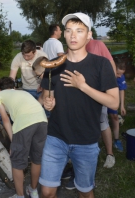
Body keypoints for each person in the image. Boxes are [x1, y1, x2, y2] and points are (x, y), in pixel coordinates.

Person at [39, 12, 119, 198]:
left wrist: (83, 86)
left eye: (79, 30)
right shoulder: (54, 65)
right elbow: (46, 98)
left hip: (86, 140)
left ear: (89, 35)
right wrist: (48, 103)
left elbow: (114, 101)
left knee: (85, 192)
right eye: (68, 30)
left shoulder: (101, 64)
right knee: (47, 192)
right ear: (64, 35)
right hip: (56, 137)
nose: (73, 35)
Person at [0, 77, 47, 198]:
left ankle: (19, 195)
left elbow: (5, 120)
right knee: (36, 159)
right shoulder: (22, 92)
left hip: (24, 122)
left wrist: (13, 142)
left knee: (17, 162)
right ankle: (33, 191)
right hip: (42, 121)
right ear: (14, 87)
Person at [86, 38, 117, 169]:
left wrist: (110, 87)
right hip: (82, 92)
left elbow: (111, 65)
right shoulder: (72, 47)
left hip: (99, 92)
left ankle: (110, 154)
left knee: (102, 121)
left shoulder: (98, 44)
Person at [107, 61, 127, 152]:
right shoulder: (106, 73)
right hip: (102, 98)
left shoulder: (120, 77)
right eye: (118, 73)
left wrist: (122, 106)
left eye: (121, 74)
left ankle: (116, 139)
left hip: (112, 99)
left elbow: (121, 90)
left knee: (114, 117)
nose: (119, 76)